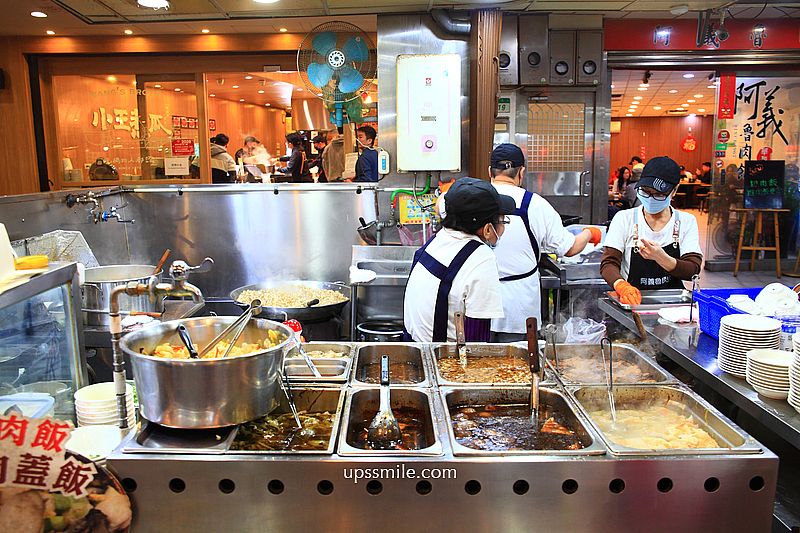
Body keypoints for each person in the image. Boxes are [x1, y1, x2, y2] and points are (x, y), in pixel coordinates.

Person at [488, 144, 602, 341]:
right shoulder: (536, 204)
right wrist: (588, 233)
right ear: (521, 172)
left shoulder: (472, 199)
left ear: (490, 171)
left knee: (477, 364)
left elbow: (441, 206)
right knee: (518, 366)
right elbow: (570, 248)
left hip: (479, 302)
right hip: (519, 307)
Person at [403, 178, 517, 343]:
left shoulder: (439, 239)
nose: (504, 227)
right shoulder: (481, 258)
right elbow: (476, 341)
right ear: (487, 229)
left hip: (414, 349)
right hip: (443, 361)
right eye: (502, 220)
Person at [601, 156, 703, 306]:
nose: (651, 198)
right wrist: (621, 286)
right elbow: (608, 263)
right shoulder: (624, 218)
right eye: (645, 191)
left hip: (672, 304)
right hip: (633, 302)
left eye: (659, 194)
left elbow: (692, 270)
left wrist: (662, 258)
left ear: (674, 191)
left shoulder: (685, 222)